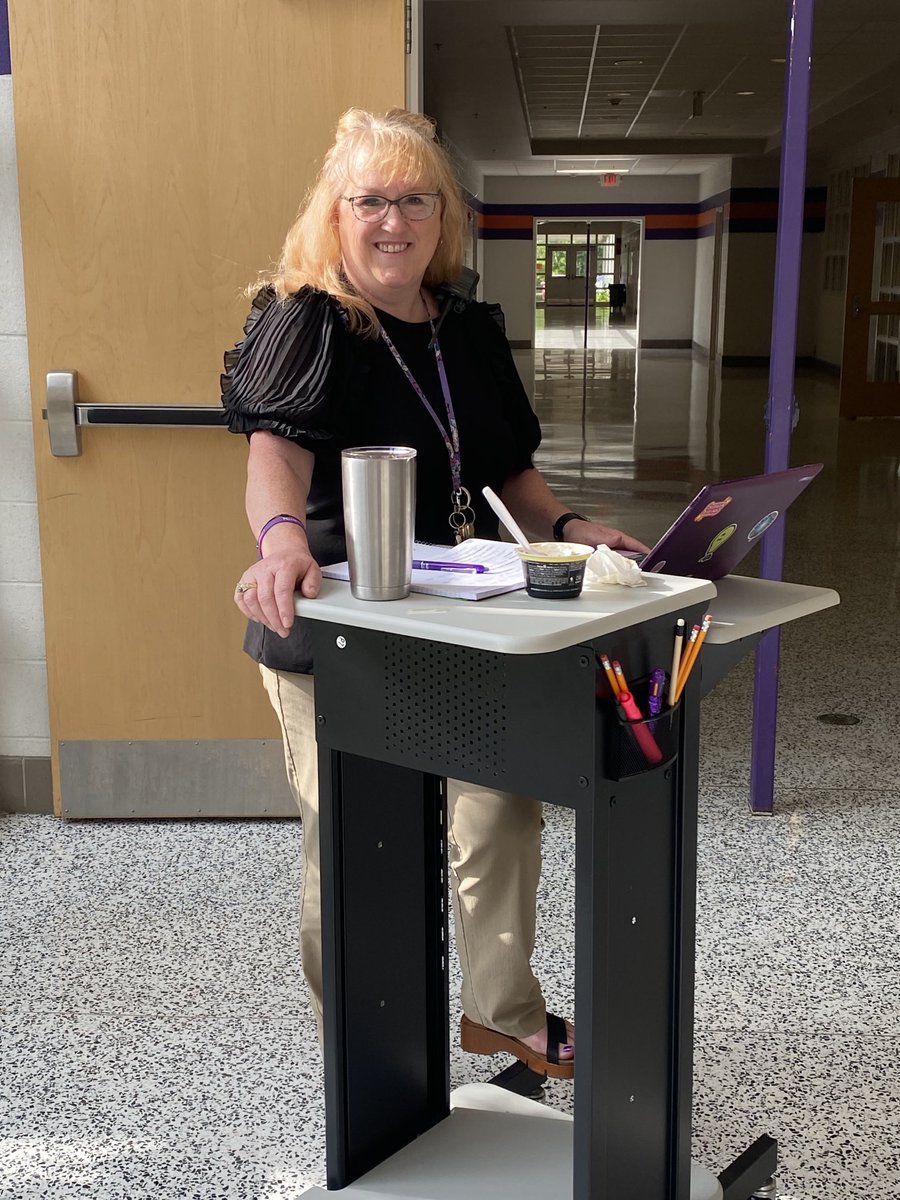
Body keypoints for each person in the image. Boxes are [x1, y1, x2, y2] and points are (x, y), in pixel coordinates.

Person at [221, 107, 648, 1079]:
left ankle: (502, 1013)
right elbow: (273, 459)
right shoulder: (308, 318)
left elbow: (510, 473)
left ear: (443, 217)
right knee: (359, 838)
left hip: (464, 620)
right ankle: (363, 1039)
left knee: (500, 809)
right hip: (342, 623)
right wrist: (279, 543)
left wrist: (573, 526)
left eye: (416, 200)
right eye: (370, 200)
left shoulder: (465, 328)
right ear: (335, 214)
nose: (394, 221)